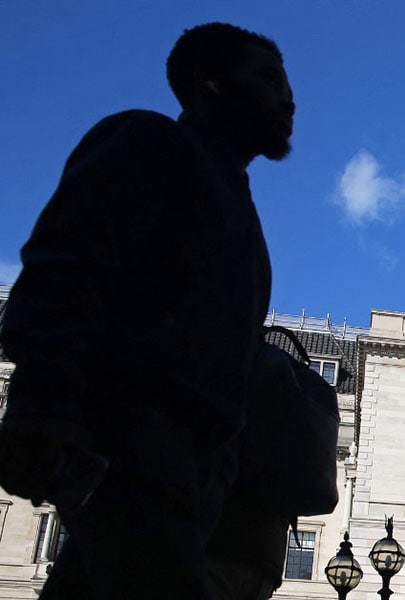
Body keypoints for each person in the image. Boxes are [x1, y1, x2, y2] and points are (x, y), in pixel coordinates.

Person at [0, 22, 294, 599]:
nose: (288, 98)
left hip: (192, 470)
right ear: (206, 84)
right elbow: (67, 264)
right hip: (127, 442)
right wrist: (43, 403)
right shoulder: (147, 141)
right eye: (266, 78)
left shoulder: (238, 204)